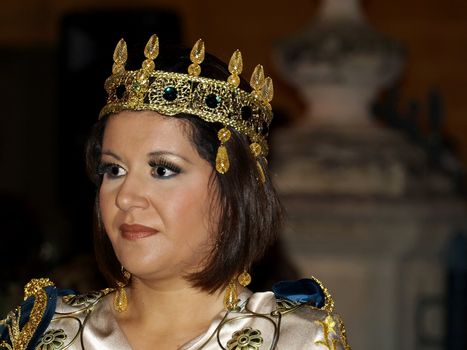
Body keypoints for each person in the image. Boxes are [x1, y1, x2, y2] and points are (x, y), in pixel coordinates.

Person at [0, 34, 351, 350]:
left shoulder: (293, 340)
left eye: (162, 170)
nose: (125, 197)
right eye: (114, 170)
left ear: (232, 191)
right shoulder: (43, 332)